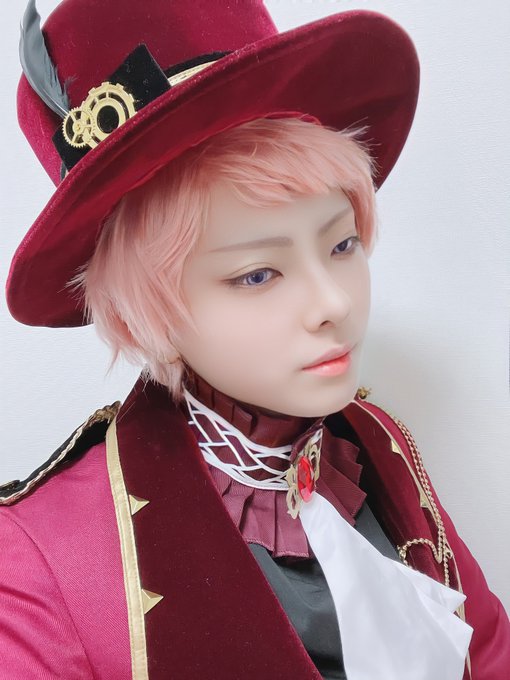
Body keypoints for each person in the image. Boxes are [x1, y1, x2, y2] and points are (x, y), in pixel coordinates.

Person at [1, 1, 509, 679]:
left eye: (343, 244)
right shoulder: (38, 557)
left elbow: (488, 650)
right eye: (257, 274)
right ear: (145, 313)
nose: (333, 304)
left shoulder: (374, 443)